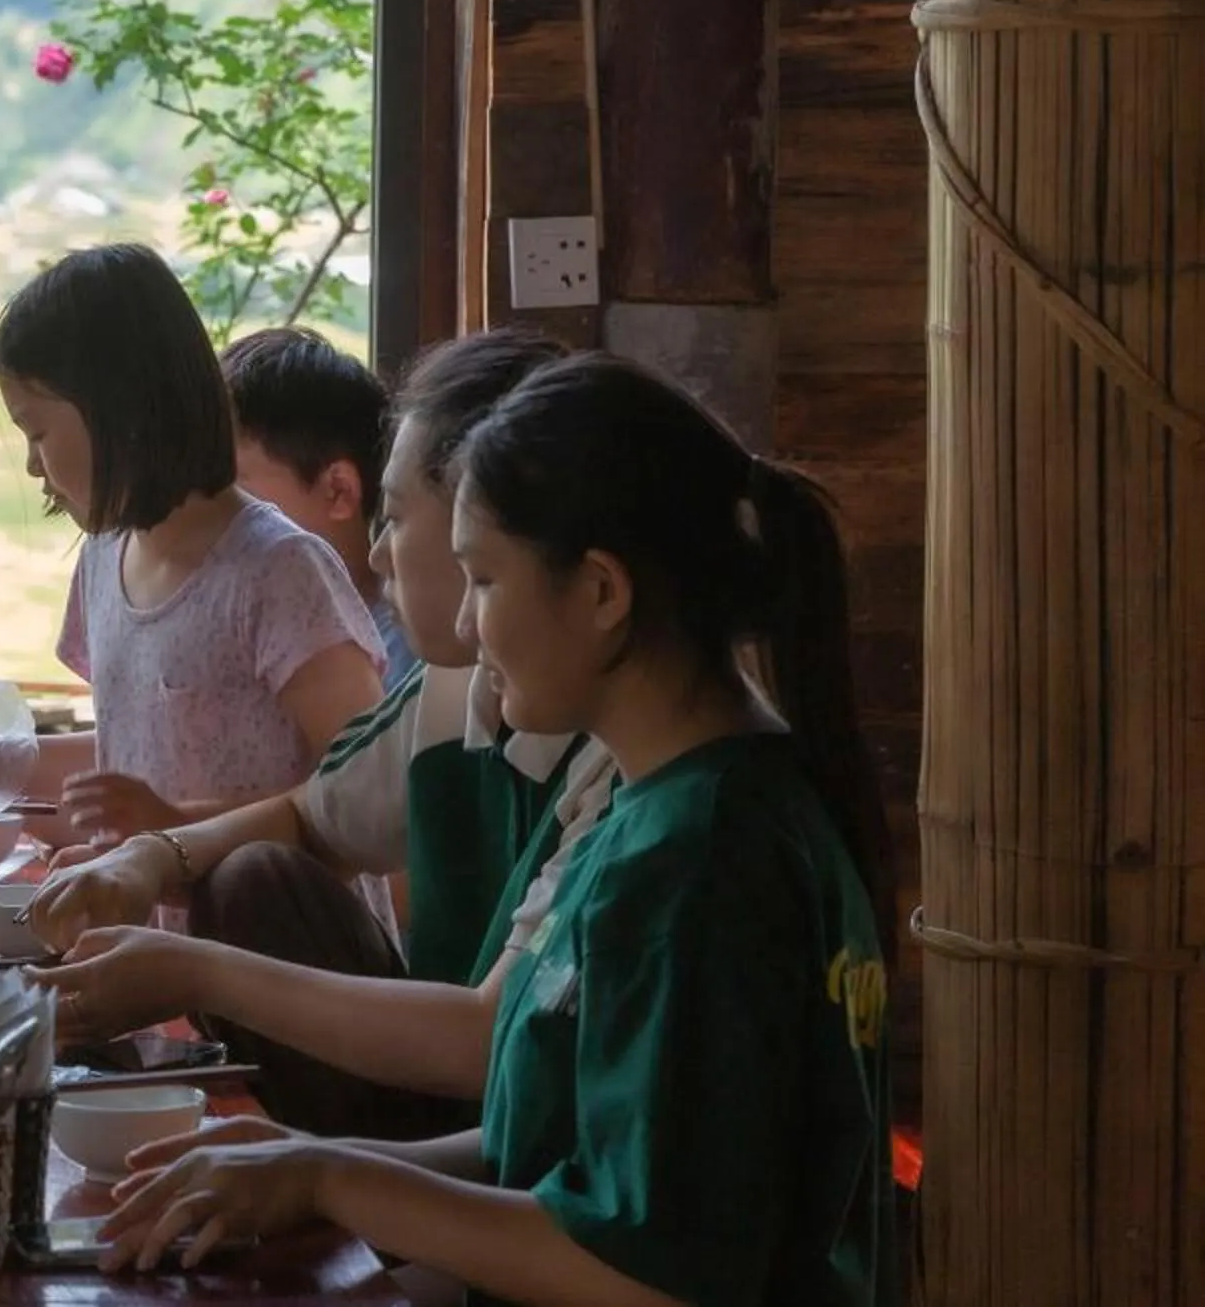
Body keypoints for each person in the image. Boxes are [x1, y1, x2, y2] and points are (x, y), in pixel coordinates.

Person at [88, 355, 898, 1307]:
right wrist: (313, 1162)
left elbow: (651, 1271)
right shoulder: (648, 811)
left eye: (483, 578)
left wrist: (329, 1180)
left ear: (601, 592)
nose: (467, 629)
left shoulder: (703, 857)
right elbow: (552, 1146)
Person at [27, 328, 610, 1138]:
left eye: (400, 518)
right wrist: (151, 857)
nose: (375, 550)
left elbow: (491, 1047)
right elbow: (313, 815)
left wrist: (198, 970)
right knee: (254, 872)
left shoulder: (642, 792)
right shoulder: (459, 691)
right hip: (484, 1135)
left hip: (522, 1160)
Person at [0, 245, 386, 845]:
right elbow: (136, 756)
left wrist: (176, 835)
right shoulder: (104, 559)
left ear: (117, 411)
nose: (30, 466)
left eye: (37, 432)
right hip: (147, 928)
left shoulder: (279, 571)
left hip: (272, 936)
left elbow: (369, 797)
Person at [223, 327, 418, 685]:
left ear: (337, 492)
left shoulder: (400, 661)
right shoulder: (236, 627)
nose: (212, 508)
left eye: (232, 487)